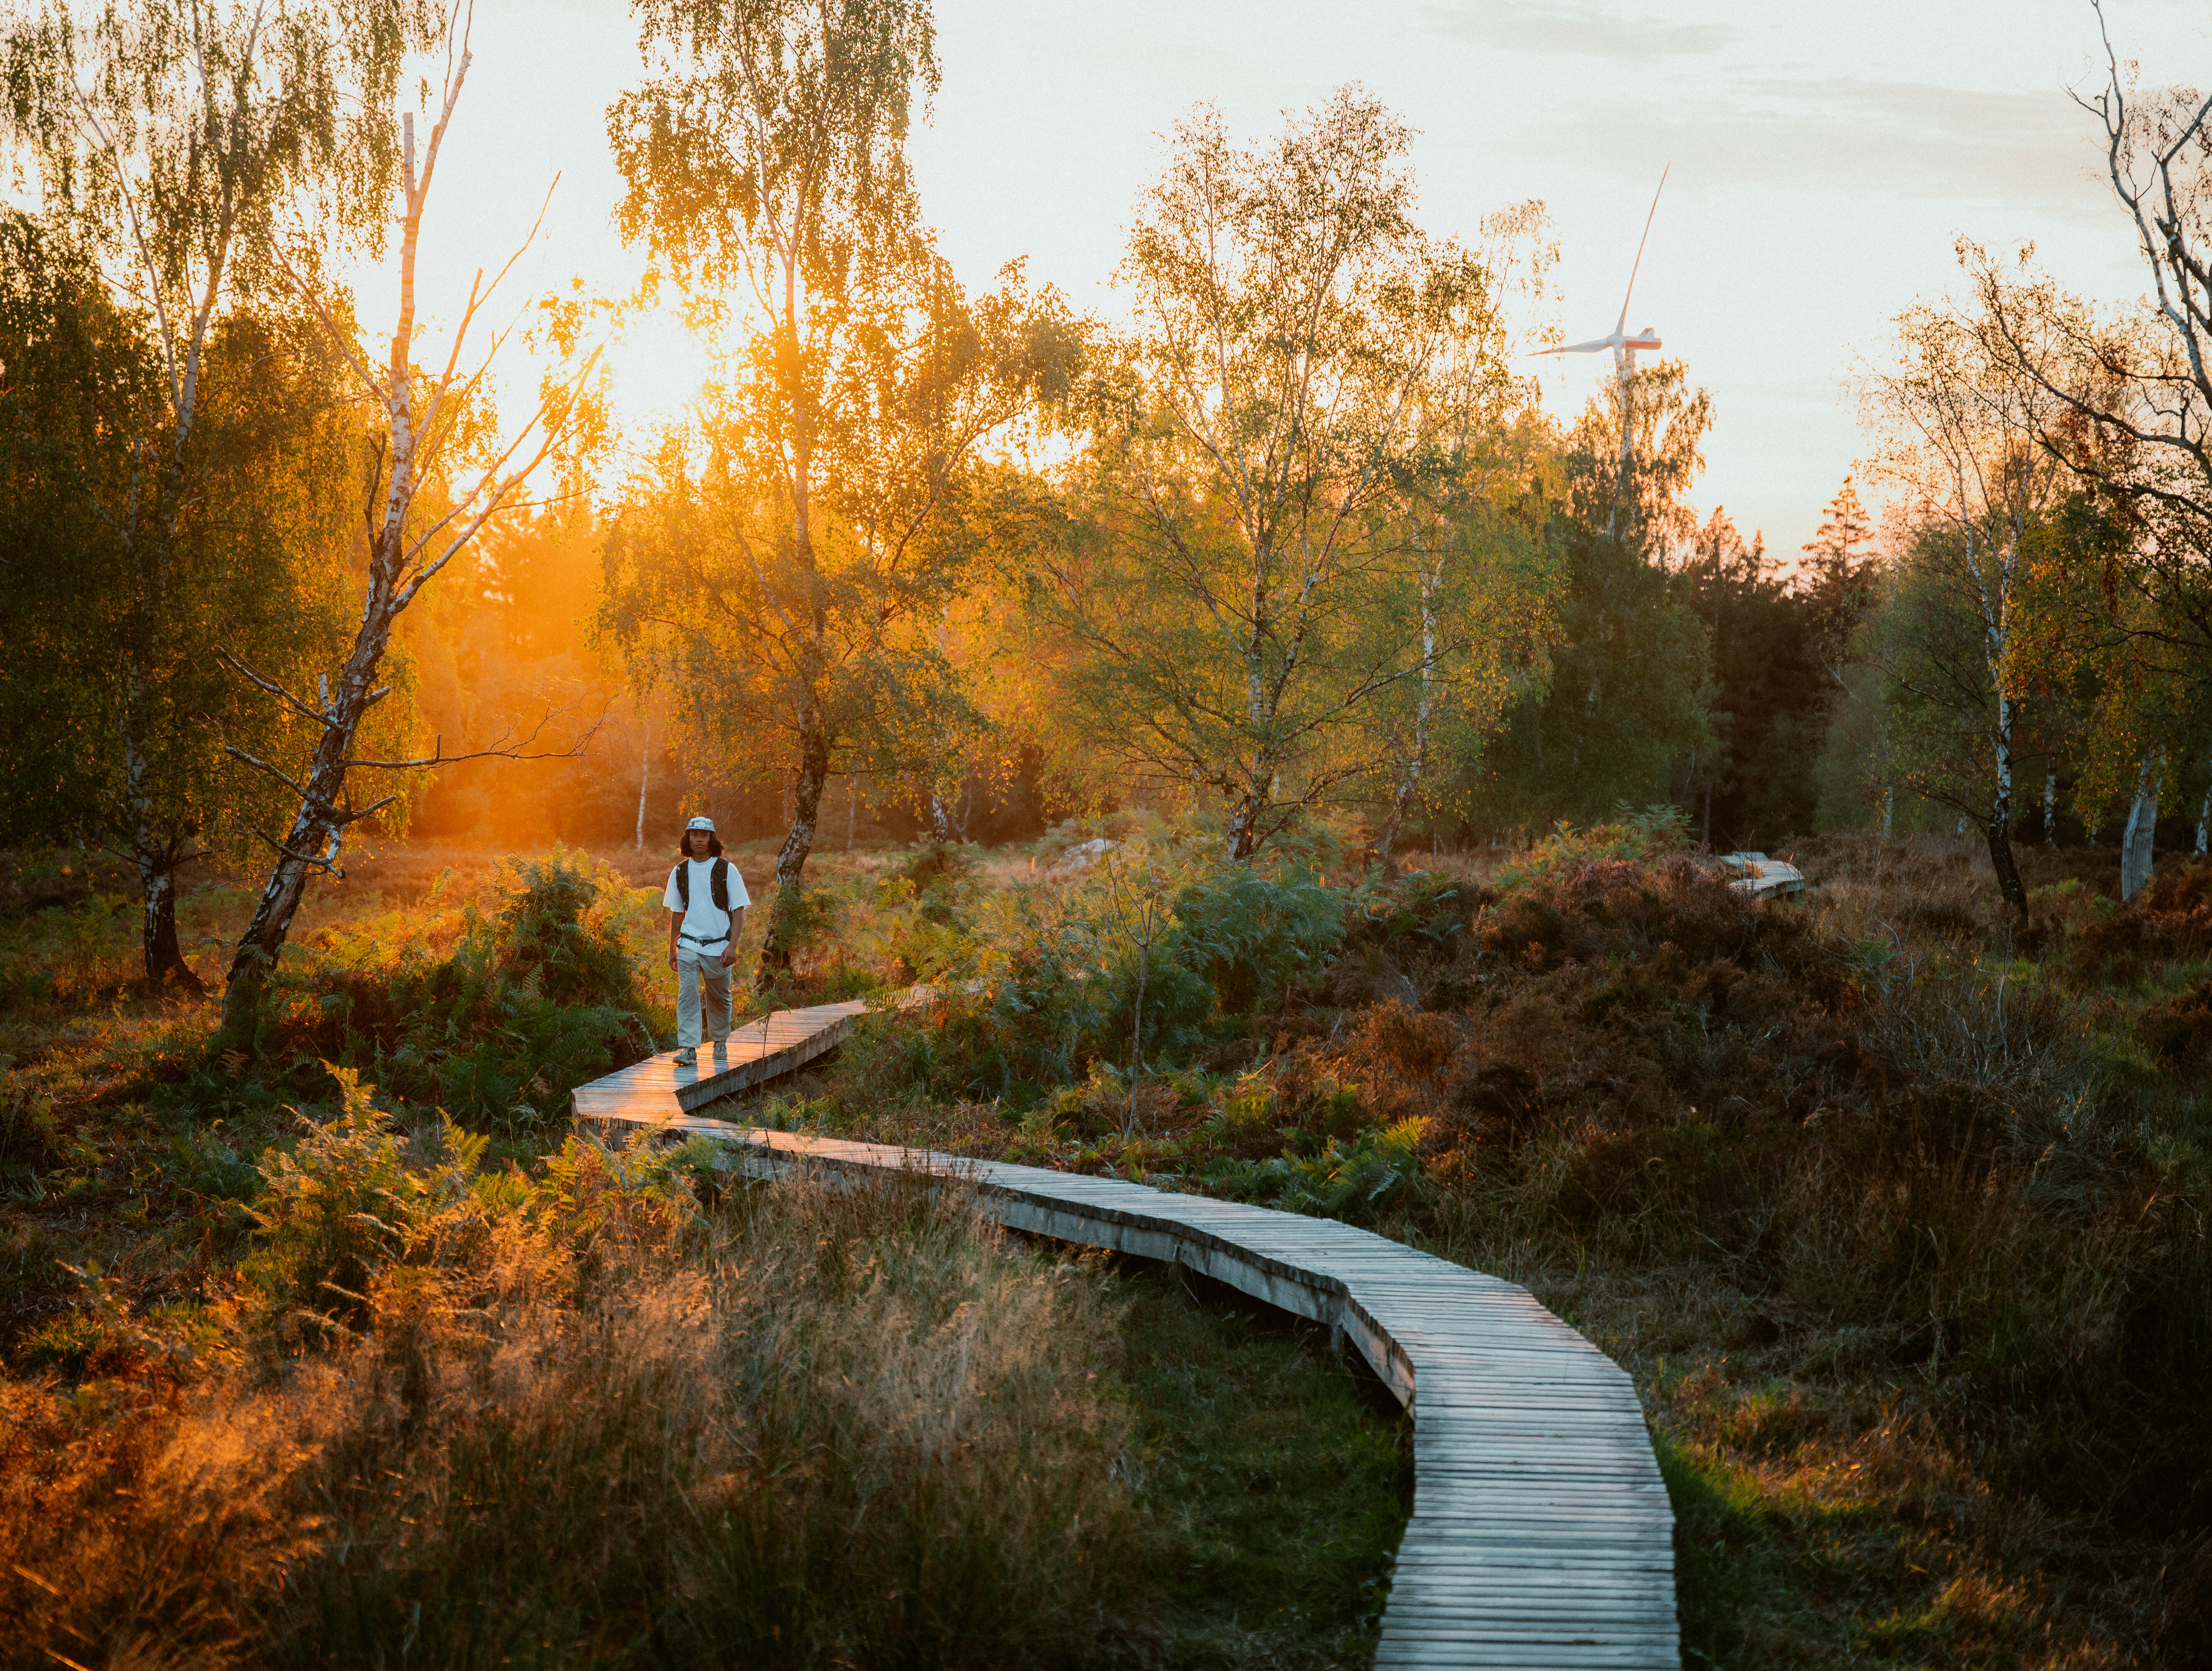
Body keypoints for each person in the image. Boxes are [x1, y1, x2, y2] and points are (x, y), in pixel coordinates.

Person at [663, 815, 751, 1067]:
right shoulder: (679, 872)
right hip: (689, 944)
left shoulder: (726, 869)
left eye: (704, 835)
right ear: (687, 840)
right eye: (694, 835)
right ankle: (689, 1049)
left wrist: (732, 946)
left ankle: (720, 1042)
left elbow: (739, 910)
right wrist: (673, 948)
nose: (699, 839)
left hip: (719, 947)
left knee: (719, 996)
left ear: (711, 839)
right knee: (687, 994)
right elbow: (677, 913)